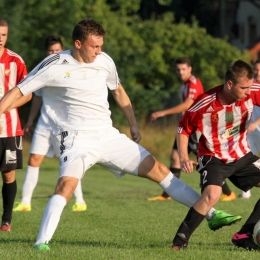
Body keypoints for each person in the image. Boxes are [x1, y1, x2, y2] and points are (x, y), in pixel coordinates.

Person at [0, 18, 241, 251]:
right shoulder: (54, 64)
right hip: (76, 140)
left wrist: (133, 124)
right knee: (66, 186)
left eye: (101, 45)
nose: (99, 51)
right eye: (94, 46)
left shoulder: (104, 61)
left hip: (108, 135)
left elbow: (119, 92)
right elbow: (18, 90)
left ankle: (210, 213)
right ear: (78, 44)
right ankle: (41, 242)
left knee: (158, 170)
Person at [172, 59, 260, 251]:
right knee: (212, 195)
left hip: (242, 155)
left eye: (250, 87)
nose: (248, 92)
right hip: (213, 157)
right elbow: (183, 128)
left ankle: (244, 234)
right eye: (244, 88)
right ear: (230, 84)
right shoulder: (205, 102)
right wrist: (185, 157)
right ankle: (179, 242)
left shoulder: (252, 90)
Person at [13, 35, 87, 212]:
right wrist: (30, 120)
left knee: (69, 163)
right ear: (47, 53)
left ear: (63, 50)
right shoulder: (43, 69)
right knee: (33, 159)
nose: (54, 53)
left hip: (64, 126)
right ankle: (25, 202)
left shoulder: (71, 70)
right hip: (45, 123)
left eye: (57, 50)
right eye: (51, 51)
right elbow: (36, 98)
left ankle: (80, 201)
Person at [148, 57, 236, 202]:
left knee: (206, 161)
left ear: (190, 69)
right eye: (178, 69)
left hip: (196, 129)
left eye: (183, 69)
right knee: (175, 158)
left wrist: (162, 113)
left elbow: (188, 104)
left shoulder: (193, 83)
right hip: (185, 129)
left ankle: (227, 192)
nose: (181, 72)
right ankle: (167, 194)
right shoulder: (184, 85)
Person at [0, 18, 32, 231]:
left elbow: (28, 94)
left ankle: (6, 220)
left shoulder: (15, 61)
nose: (0, 39)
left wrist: (5, 108)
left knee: (8, 174)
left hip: (9, 129)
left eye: (3, 35)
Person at [240, 59, 260, 199]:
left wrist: (256, 123)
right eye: (256, 70)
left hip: (256, 127)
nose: (257, 73)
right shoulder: (249, 85)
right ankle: (245, 192)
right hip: (251, 131)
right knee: (246, 158)